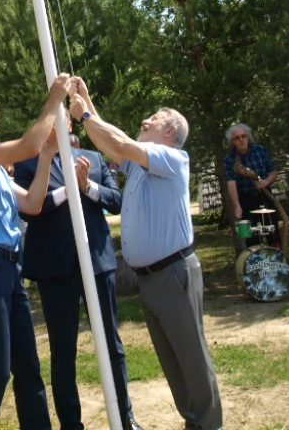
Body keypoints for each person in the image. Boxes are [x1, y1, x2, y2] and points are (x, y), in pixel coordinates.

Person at [69, 78, 222, 430]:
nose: (144, 121)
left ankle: (209, 425)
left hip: (173, 274)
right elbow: (111, 142)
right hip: (151, 280)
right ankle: (193, 422)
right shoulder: (139, 162)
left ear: (169, 131)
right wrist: (88, 103)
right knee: (172, 361)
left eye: (152, 118)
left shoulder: (171, 158)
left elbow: (119, 140)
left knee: (192, 360)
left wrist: (84, 114)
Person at [0, 74, 72, 430]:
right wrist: (53, 100)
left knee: (27, 367)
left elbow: (33, 204)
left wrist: (48, 155)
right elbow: (27, 146)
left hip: (10, 272)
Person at [13, 124, 142, 430]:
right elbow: (27, 209)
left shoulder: (93, 159)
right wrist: (65, 191)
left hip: (96, 264)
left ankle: (126, 417)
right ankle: (71, 423)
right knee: (63, 348)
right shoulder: (29, 164)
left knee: (112, 343)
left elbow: (116, 199)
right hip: (55, 269)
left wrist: (87, 187)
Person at [222, 123, 280, 246]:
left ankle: (275, 260)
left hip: (265, 196)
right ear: (233, 142)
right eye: (237, 138)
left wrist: (266, 182)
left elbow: (274, 171)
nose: (241, 139)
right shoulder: (229, 159)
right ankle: (256, 262)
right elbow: (231, 184)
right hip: (246, 199)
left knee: (273, 232)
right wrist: (237, 206)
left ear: (248, 137)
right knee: (252, 238)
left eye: (243, 136)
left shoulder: (259, 150)